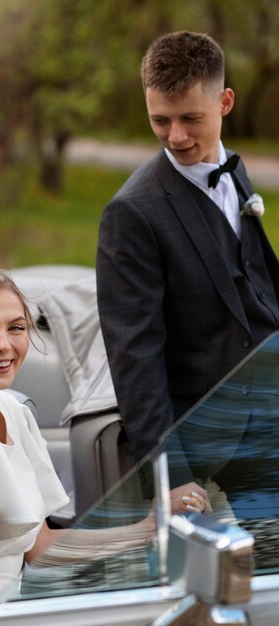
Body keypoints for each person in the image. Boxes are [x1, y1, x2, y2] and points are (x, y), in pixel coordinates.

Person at [0, 262, 207, 625]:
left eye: (16, 328)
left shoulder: (10, 409)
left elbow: (40, 546)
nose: (3, 345)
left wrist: (148, 528)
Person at [97, 31, 279, 467]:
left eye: (190, 119)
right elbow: (134, 356)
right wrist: (169, 474)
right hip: (216, 435)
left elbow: (253, 279)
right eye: (160, 120)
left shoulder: (232, 168)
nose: (175, 137)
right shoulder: (132, 213)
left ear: (225, 103)